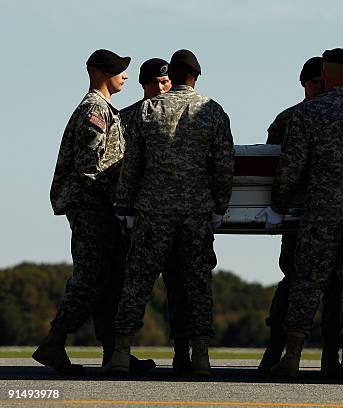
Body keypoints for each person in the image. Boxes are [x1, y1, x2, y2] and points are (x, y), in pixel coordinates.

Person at [258, 48, 343, 379]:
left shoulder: (307, 115)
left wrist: (277, 205)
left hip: (321, 209)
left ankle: (292, 356)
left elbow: (290, 167)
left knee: (307, 280)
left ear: (324, 74)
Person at [107, 49, 234, 377]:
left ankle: (121, 353)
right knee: (197, 282)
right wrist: (220, 205)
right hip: (196, 211)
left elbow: (132, 163)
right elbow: (223, 165)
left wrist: (124, 206)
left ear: (172, 77)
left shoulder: (149, 109)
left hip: (153, 210)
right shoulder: (213, 111)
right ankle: (200, 356)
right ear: (196, 76)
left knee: (137, 281)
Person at [34, 49, 154, 375]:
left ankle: (113, 353)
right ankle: (54, 342)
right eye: (119, 70)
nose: (126, 75)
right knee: (90, 277)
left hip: (102, 209)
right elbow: (92, 167)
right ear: (100, 73)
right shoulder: (93, 110)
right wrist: (119, 202)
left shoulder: (106, 110)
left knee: (111, 278)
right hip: (93, 208)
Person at [258, 57, 342, 377]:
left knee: (331, 285)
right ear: (305, 83)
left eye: (324, 82)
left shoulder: (300, 117)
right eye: (316, 82)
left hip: (315, 214)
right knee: (295, 282)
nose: (320, 89)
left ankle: (328, 354)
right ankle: (277, 347)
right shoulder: (289, 119)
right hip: (302, 219)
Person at [119, 58, 192, 374]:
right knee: (133, 286)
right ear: (144, 85)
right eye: (156, 83)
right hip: (142, 216)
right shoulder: (128, 118)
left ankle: (183, 352)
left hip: (177, 215)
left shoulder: (186, 111)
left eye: (166, 82)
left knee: (182, 286)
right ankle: (120, 353)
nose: (163, 88)